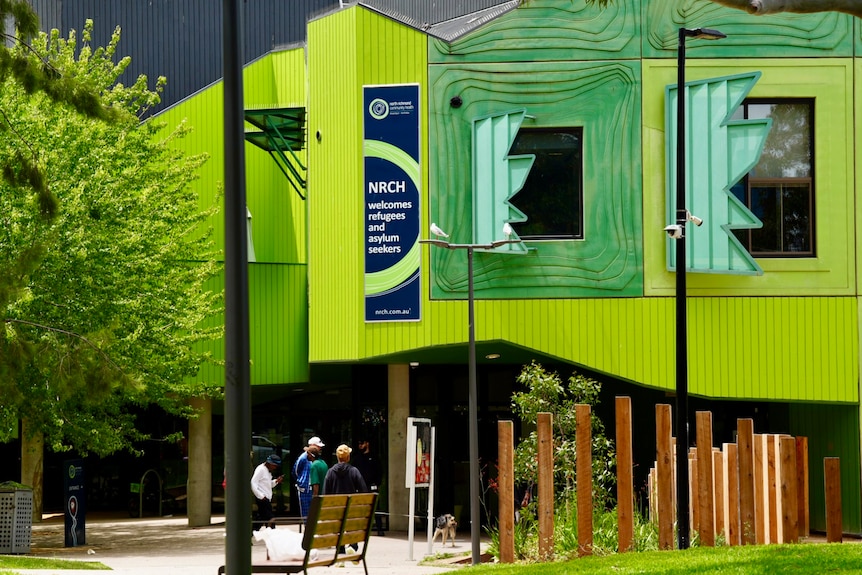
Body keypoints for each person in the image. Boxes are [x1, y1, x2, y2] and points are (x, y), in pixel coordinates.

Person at [353, 436, 384, 535]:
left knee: (375, 508)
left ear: (367, 443)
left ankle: (379, 529)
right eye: (359, 443)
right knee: (361, 509)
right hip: (361, 486)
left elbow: (380, 471)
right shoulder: (357, 458)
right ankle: (362, 529)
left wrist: (377, 483)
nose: (360, 445)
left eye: (362, 443)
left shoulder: (374, 457)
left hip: (372, 485)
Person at [293, 436, 324, 518]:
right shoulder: (303, 457)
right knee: (306, 514)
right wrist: (302, 482)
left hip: (313, 489)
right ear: (312, 445)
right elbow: (296, 471)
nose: (320, 448)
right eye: (318, 446)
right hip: (305, 490)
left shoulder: (317, 459)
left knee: (314, 513)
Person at [250, 454, 283, 531]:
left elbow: (268, 485)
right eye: (274, 465)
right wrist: (260, 496)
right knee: (270, 518)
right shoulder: (261, 469)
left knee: (261, 518)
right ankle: (273, 533)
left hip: (266, 497)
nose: (275, 468)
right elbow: (253, 482)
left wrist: (276, 481)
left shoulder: (268, 471)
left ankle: (251, 532)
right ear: (270, 463)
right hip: (262, 498)